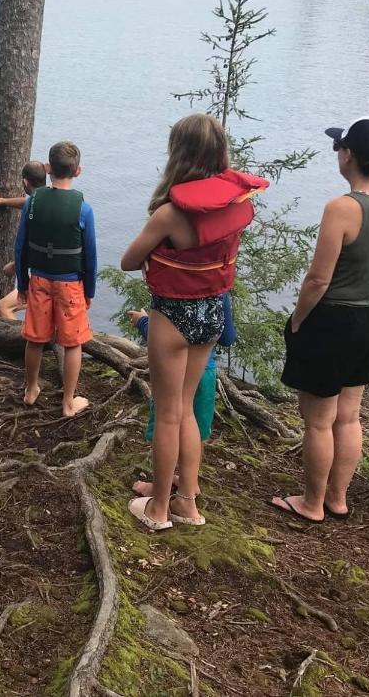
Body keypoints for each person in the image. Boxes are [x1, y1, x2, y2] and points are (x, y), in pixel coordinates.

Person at [120, 114, 267, 531]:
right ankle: (187, 502)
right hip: (213, 313)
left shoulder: (170, 214)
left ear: (178, 154)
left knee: (167, 412)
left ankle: (159, 510)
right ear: (220, 152)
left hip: (174, 315)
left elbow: (129, 261)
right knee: (184, 408)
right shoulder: (239, 203)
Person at [271, 118, 369, 523]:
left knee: (318, 421)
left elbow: (317, 279)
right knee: (349, 414)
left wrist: (297, 320)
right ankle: (337, 498)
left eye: (339, 148)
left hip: (333, 321)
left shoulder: (342, 208)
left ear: (348, 155)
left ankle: (311, 504)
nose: (337, 154)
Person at [15, 141, 97, 418]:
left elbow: (20, 247)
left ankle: (30, 390)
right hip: (70, 283)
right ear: (78, 171)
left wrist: (22, 285)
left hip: (38, 279)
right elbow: (90, 255)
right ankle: (68, 403)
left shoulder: (32, 202)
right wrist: (90, 291)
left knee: (36, 338)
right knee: (72, 342)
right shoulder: (83, 209)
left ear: (49, 169)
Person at [130, 292, 235, 498]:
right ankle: (190, 483)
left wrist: (143, 321)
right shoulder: (220, 293)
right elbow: (228, 337)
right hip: (206, 373)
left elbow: (164, 338)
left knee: (166, 423)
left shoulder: (173, 290)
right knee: (197, 429)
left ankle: (159, 486)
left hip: (174, 376)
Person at [0, 161, 48, 321]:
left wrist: (15, 266)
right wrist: (1, 201)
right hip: (66, 279)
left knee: (3, 307)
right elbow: (26, 202)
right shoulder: (48, 200)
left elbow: (27, 248)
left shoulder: (34, 210)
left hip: (44, 280)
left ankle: (23, 341)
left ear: (25, 182)